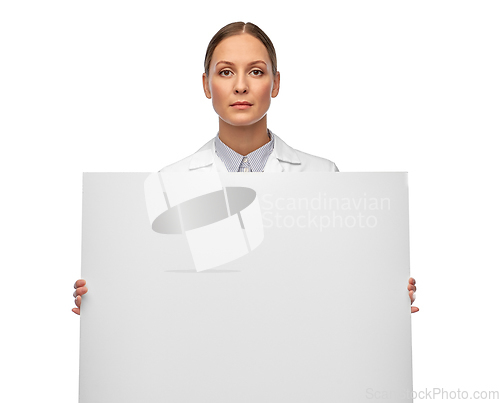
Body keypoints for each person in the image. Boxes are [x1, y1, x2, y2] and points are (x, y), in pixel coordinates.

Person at [72, 21, 419, 314]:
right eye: (225, 72)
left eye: (256, 71)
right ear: (206, 85)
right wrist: (103, 298)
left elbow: (341, 278)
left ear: (276, 83)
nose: (241, 85)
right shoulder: (169, 182)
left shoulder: (322, 176)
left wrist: (386, 294)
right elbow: (156, 284)